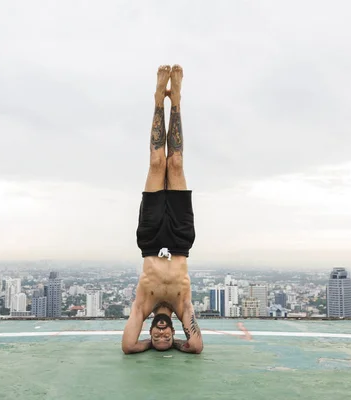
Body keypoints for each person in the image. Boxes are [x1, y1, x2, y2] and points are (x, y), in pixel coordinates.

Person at [121, 64, 203, 354]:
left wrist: (148, 346)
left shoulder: (144, 306)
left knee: (157, 162)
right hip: (181, 241)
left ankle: (159, 99)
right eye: (166, 338)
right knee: (176, 164)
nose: (161, 335)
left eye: (157, 338)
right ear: (172, 331)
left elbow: (128, 346)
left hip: (150, 241)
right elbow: (196, 345)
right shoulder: (183, 307)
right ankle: (176, 100)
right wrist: (178, 345)